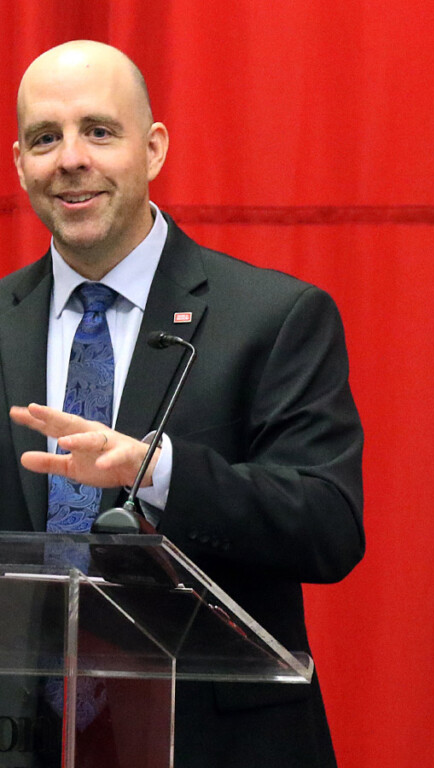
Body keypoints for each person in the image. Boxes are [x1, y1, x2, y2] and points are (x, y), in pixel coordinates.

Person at [0, 40, 364, 768]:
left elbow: (328, 526)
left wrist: (154, 471)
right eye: (46, 138)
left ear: (154, 148)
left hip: (216, 744)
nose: (71, 159)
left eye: (99, 131)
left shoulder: (274, 316)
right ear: (19, 165)